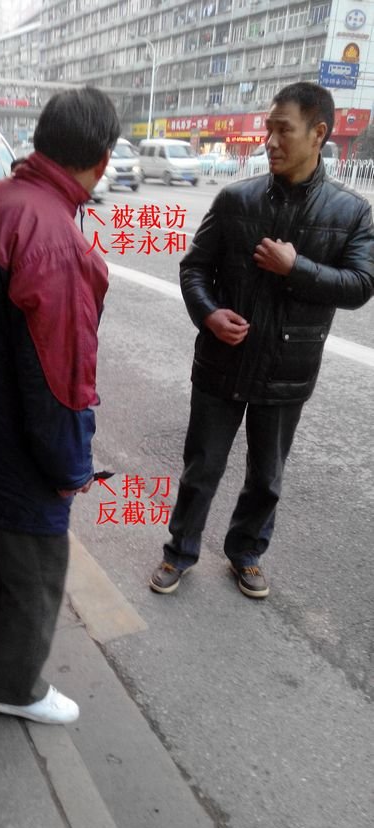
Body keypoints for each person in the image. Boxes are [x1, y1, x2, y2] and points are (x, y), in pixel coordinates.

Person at [0, 86, 119, 724]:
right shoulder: (52, 236)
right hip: (14, 445)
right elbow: (60, 378)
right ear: (102, 157)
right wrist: (70, 467)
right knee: (37, 568)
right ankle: (15, 687)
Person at [149, 82, 374, 600]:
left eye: (282, 130)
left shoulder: (350, 212)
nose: (269, 141)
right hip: (222, 359)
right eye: (268, 129)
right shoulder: (235, 199)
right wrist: (209, 315)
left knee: (267, 476)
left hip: (287, 367)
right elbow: (194, 268)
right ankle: (179, 551)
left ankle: (246, 553)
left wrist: (298, 268)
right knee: (201, 467)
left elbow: (361, 285)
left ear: (318, 133)